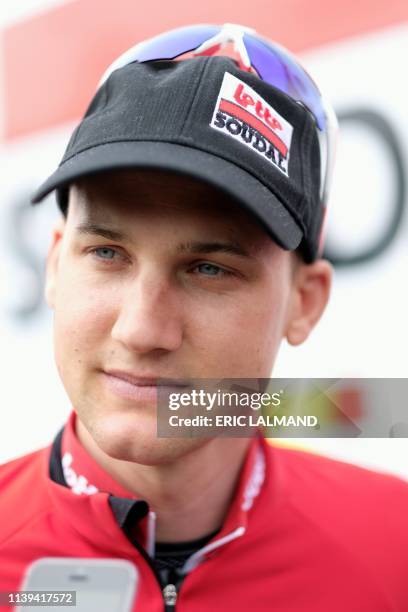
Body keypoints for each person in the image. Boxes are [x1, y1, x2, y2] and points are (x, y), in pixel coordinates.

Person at [1, 24, 408, 612]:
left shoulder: (393, 545)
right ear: (55, 264)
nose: (141, 329)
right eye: (108, 254)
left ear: (306, 301)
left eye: (208, 269)